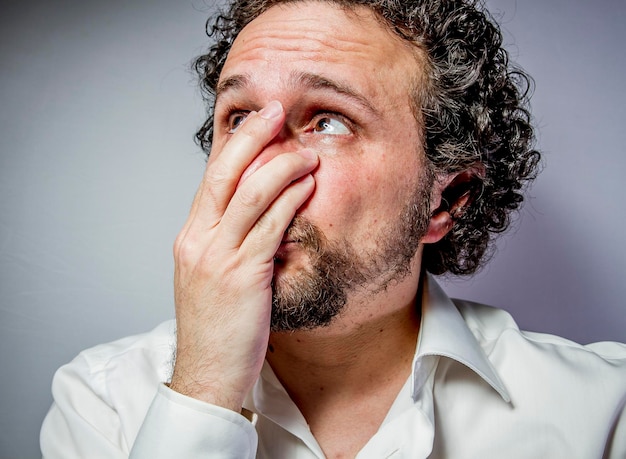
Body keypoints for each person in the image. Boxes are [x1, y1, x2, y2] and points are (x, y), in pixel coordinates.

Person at [40, 0, 626, 457]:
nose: (258, 166)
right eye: (240, 118)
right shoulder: (106, 402)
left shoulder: (602, 413)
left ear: (446, 196)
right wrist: (203, 395)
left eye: (328, 121)